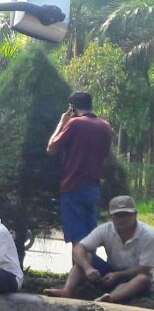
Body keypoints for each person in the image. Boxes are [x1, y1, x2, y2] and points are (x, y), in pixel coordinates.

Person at [43, 195, 154, 304]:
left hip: (134, 278)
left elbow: (144, 268)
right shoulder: (105, 229)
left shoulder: (148, 235)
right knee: (85, 257)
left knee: (142, 279)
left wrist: (118, 275)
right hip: (110, 273)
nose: (122, 219)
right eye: (118, 215)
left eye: (126, 215)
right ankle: (67, 291)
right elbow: (79, 248)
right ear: (111, 217)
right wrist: (88, 268)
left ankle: (110, 298)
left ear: (135, 215)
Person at [46, 91, 112, 244]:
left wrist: (61, 123)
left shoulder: (75, 123)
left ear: (72, 107)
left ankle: (82, 269)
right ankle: (87, 267)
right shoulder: (105, 126)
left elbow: (51, 148)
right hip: (93, 188)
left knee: (77, 240)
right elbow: (107, 159)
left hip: (73, 187)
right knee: (90, 240)